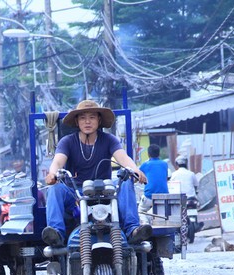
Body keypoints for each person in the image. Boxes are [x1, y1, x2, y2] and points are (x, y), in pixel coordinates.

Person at [43, 99, 152, 246]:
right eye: (83, 118)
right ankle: (56, 234)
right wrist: (52, 174)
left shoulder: (109, 140)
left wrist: (135, 170)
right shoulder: (67, 141)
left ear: (99, 120)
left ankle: (132, 230)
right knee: (55, 188)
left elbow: (123, 158)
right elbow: (57, 161)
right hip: (75, 193)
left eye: (92, 117)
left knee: (126, 180)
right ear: (77, 121)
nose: (87, 121)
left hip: (104, 191)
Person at [138, 144, 169, 218]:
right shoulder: (165, 164)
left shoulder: (145, 165)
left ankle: (145, 224)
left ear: (148, 154)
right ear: (159, 154)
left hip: (149, 196)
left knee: (140, 212)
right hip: (164, 196)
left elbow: (137, 176)